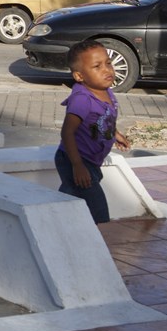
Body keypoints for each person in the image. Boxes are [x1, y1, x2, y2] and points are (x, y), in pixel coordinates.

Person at [55, 40, 131, 224]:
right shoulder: (82, 99)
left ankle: (56, 220)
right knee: (98, 211)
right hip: (75, 160)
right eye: (97, 66)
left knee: (72, 197)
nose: (107, 70)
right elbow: (67, 133)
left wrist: (115, 134)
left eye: (108, 63)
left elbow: (103, 119)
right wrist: (77, 165)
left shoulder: (105, 91)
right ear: (79, 76)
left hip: (91, 161)